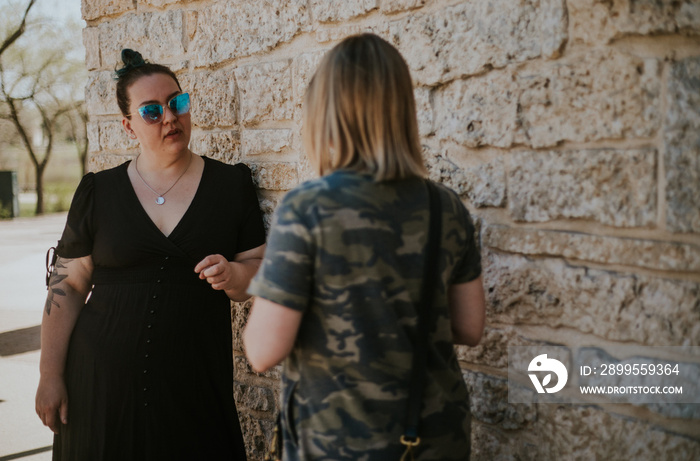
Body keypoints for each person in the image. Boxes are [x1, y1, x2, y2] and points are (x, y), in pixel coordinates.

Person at [243, 34, 485, 461]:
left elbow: (263, 350)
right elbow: (469, 327)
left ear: (328, 114)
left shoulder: (307, 208)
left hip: (339, 444)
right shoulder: (444, 206)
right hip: (435, 439)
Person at [35, 49, 265, 461]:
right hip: (98, 387)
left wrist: (233, 274)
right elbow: (67, 285)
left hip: (194, 388)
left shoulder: (231, 185)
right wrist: (49, 374)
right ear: (128, 126)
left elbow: (258, 269)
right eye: (152, 111)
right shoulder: (98, 191)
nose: (170, 118)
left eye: (177, 103)